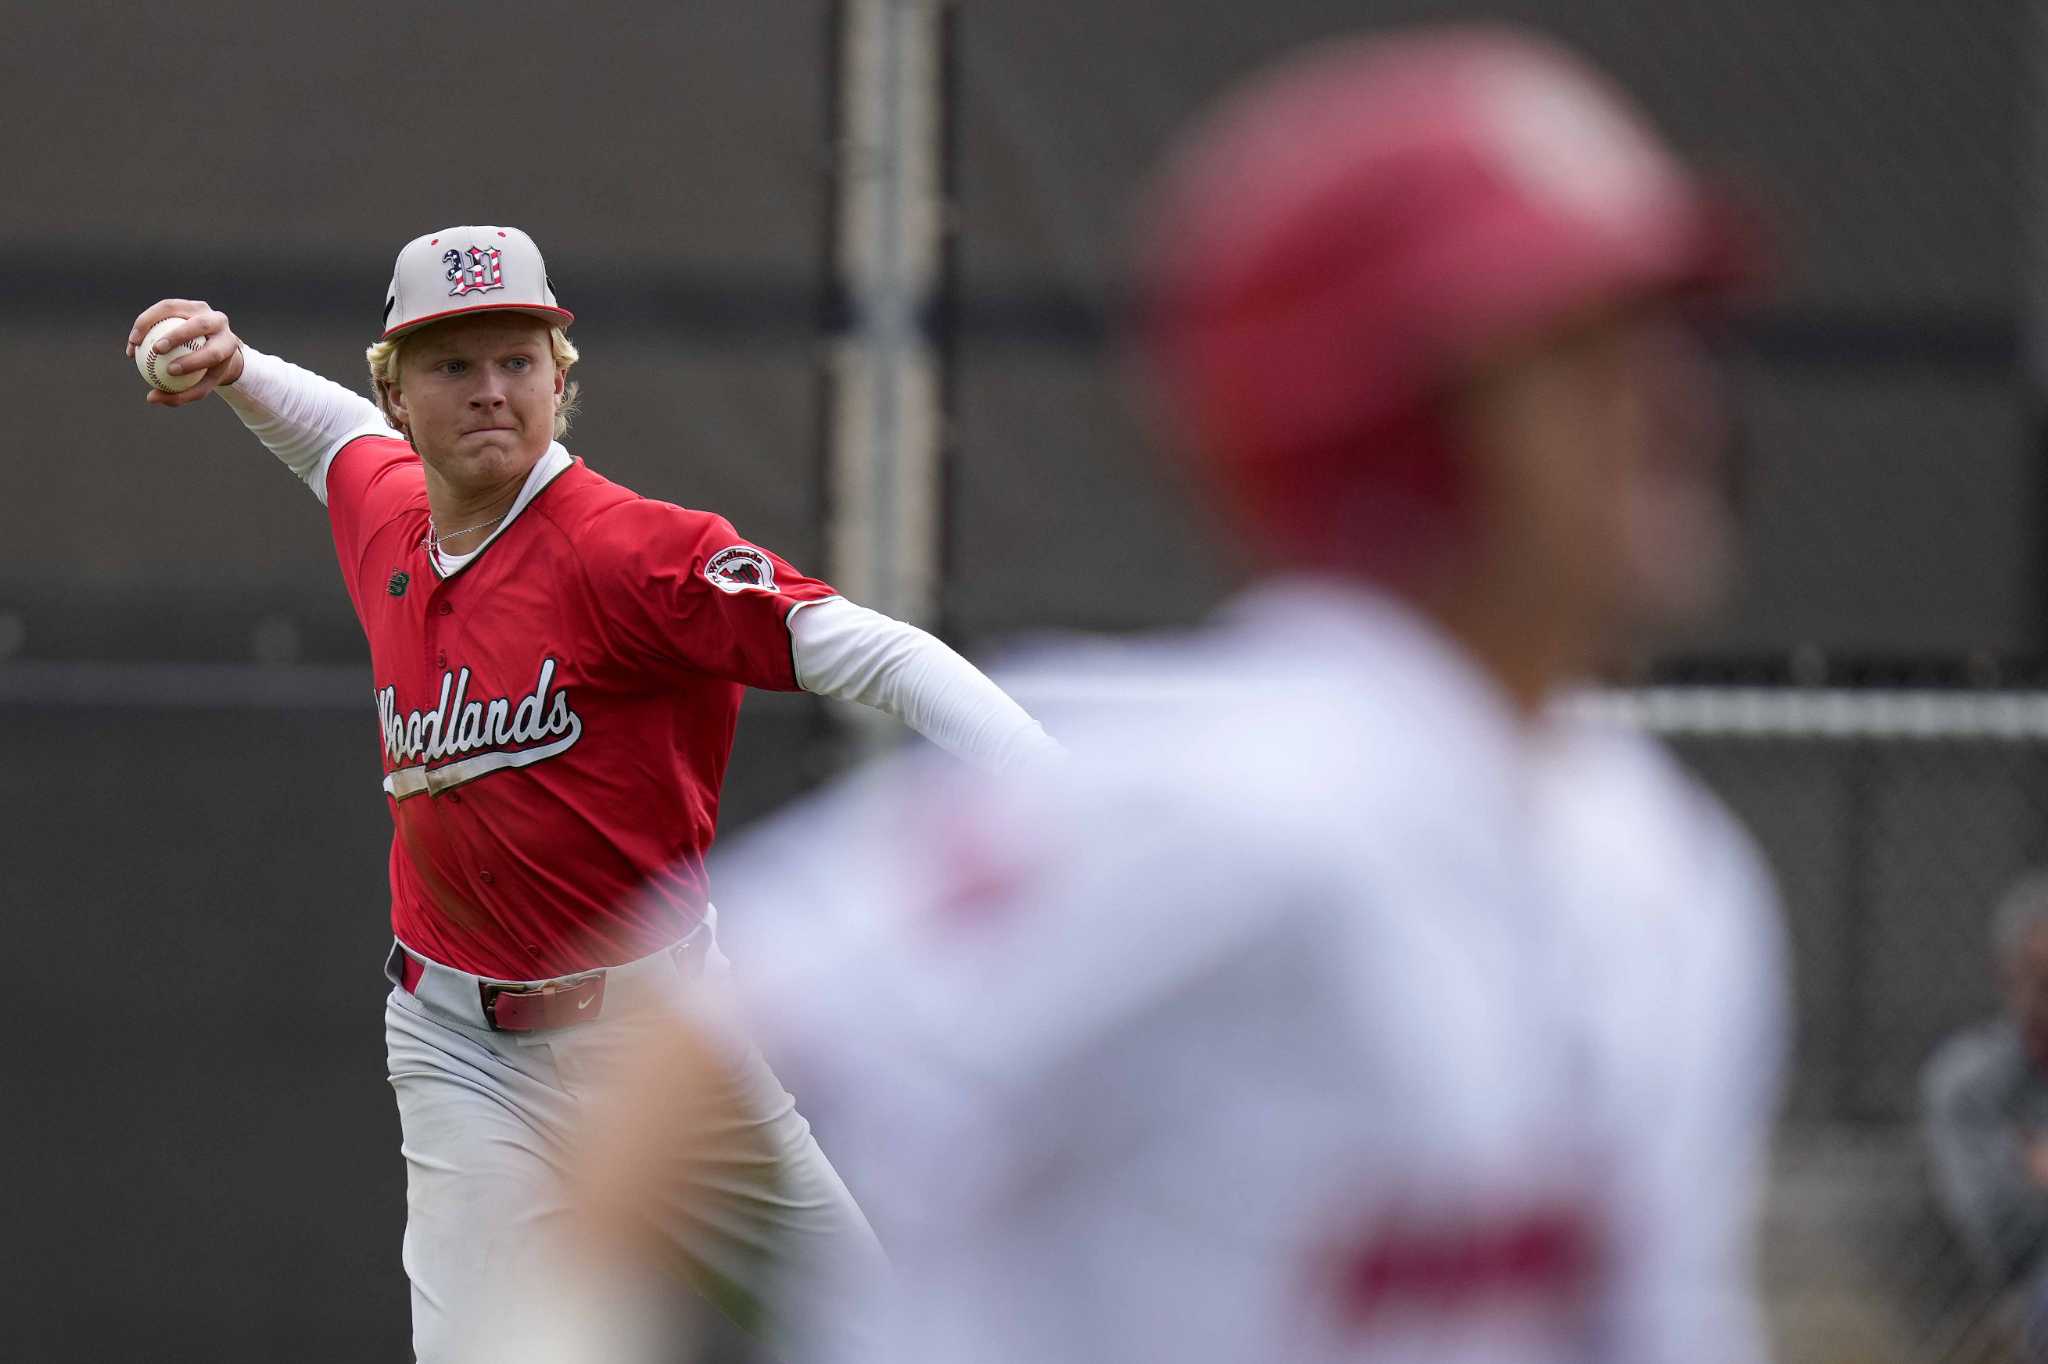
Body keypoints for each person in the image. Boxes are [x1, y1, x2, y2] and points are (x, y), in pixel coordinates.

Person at [571, 24, 1788, 1364]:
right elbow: (695, 1044)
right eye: (1575, 354)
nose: (1666, 407)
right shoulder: (1245, 789)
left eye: (1656, 341)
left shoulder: (1672, 875)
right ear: (1385, 416)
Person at [123, 225, 1059, 1363]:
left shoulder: (633, 553)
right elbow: (329, 440)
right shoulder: (388, 510)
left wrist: (1066, 799)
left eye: (517, 359)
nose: (488, 391)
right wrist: (235, 366)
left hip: (653, 1041)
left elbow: (883, 655)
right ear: (398, 394)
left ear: (562, 381)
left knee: (879, 1333)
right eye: (451, 365)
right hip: (451, 1039)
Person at [1924, 873, 2048, 1308]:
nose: (2042, 1001)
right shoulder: (1968, 1082)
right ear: (2006, 977)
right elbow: (1997, 1232)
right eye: (2036, 978)